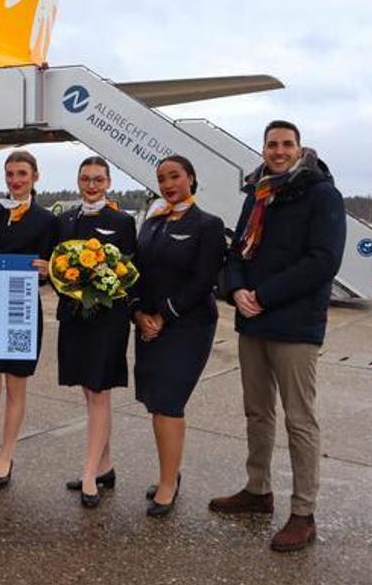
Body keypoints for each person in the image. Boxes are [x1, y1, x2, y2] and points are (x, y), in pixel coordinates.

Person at [208, 120, 345, 552]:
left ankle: (303, 513)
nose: (279, 151)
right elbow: (237, 252)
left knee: (299, 421)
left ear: (300, 149)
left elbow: (323, 261)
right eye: (272, 144)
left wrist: (263, 295)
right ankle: (257, 490)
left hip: (295, 325)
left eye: (287, 144)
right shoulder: (259, 193)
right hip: (253, 322)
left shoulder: (322, 194)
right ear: (263, 149)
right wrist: (235, 290)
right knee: (257, 413)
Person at [130, 155, 225, 516]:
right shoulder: (152, 224)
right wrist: (138, 313)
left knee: (169, 402)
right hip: (148, 325)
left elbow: (204, 281)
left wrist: (162, 315)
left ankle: (168, 484)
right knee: (156, 402)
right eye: (161, 179)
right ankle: (170, 473)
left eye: (175, 176)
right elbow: (135, 271)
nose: (168, 184)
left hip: (187, 326)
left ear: (191, 178)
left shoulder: (207, 224)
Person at [54, 157, 136, 508]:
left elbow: (127, 267)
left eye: (98, 179)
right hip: (74, 317)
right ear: (77, 181)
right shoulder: (65, 219)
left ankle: (89, 473)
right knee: (89, 391)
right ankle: (104, 466)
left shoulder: (122, 221)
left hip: (106, 318)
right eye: (85, 179)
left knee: (100, 391)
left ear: (108, 182)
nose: (91, 185)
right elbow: (57, 263)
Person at [0, 150, 55, 489]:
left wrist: (49, 272)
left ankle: (7, 453)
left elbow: (50, 268)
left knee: (15, 388)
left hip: (21, 311)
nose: (15, 180)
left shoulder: (46, 220)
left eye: (22, 173)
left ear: (35, 176)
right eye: (10, 174)